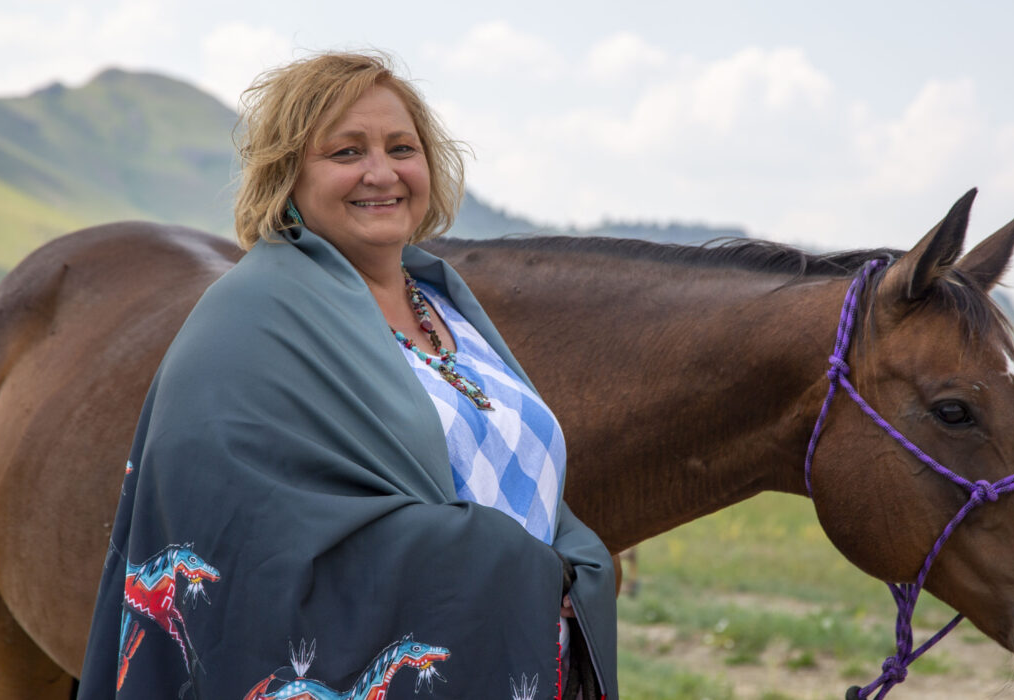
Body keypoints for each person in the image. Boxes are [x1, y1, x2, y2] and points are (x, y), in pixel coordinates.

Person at [78, 51, 617, 700]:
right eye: (345, 152)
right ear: (288, 175)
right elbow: (230, 517)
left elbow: (528, 473)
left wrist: (574, 566)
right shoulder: (250, 316)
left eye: (401, 147)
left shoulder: (446, 303)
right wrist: (507, 567)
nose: (382, 172)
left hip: (520, 654)